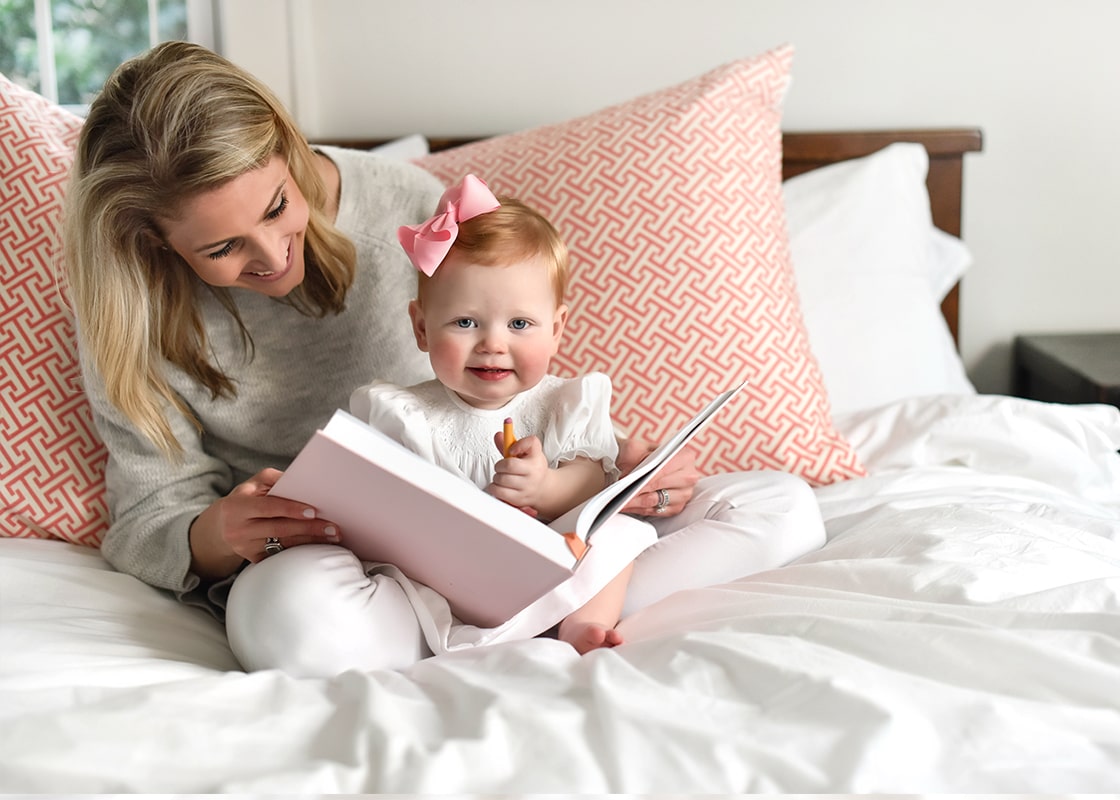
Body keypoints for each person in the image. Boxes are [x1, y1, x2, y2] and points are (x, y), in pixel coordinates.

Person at [61, 41, 711, 677]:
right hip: (334, 564)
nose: (271, 255)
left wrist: (625, 470)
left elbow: (511, 384)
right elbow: (147, 517)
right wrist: (219, 532)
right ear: (155, 241)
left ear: (286, 148)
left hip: (512, 519)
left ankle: (539, 612)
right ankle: (536, 620)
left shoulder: (406, 208)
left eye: (278, 207)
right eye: (225, 247)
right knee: (285, 617)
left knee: (776, 507)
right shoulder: (134, 309)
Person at [350, 174, 828, 655]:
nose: (493, 343)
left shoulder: (565, 403)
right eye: (465, 322)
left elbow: (594, 480)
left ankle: (582, 625)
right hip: (450, 591)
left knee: (619, 532)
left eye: (519, 324)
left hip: (559, 567)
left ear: (556, 330)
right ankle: (497, 629)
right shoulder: (401, 413)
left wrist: (545, 488)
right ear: (421, 328)